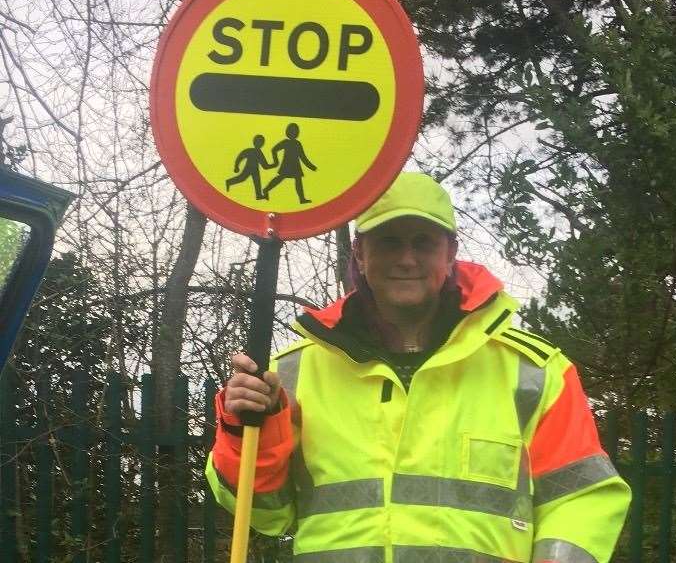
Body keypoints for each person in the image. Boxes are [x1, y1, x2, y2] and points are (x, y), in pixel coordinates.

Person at [206, 172, 631, 563]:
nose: (407, 259)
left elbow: (580, 499)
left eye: (423, 242)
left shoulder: (535, 373)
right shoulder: (290, 374)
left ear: (450, 253)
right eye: (389, 241)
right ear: (361, 253)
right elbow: (265, 515)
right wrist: (246, 433)